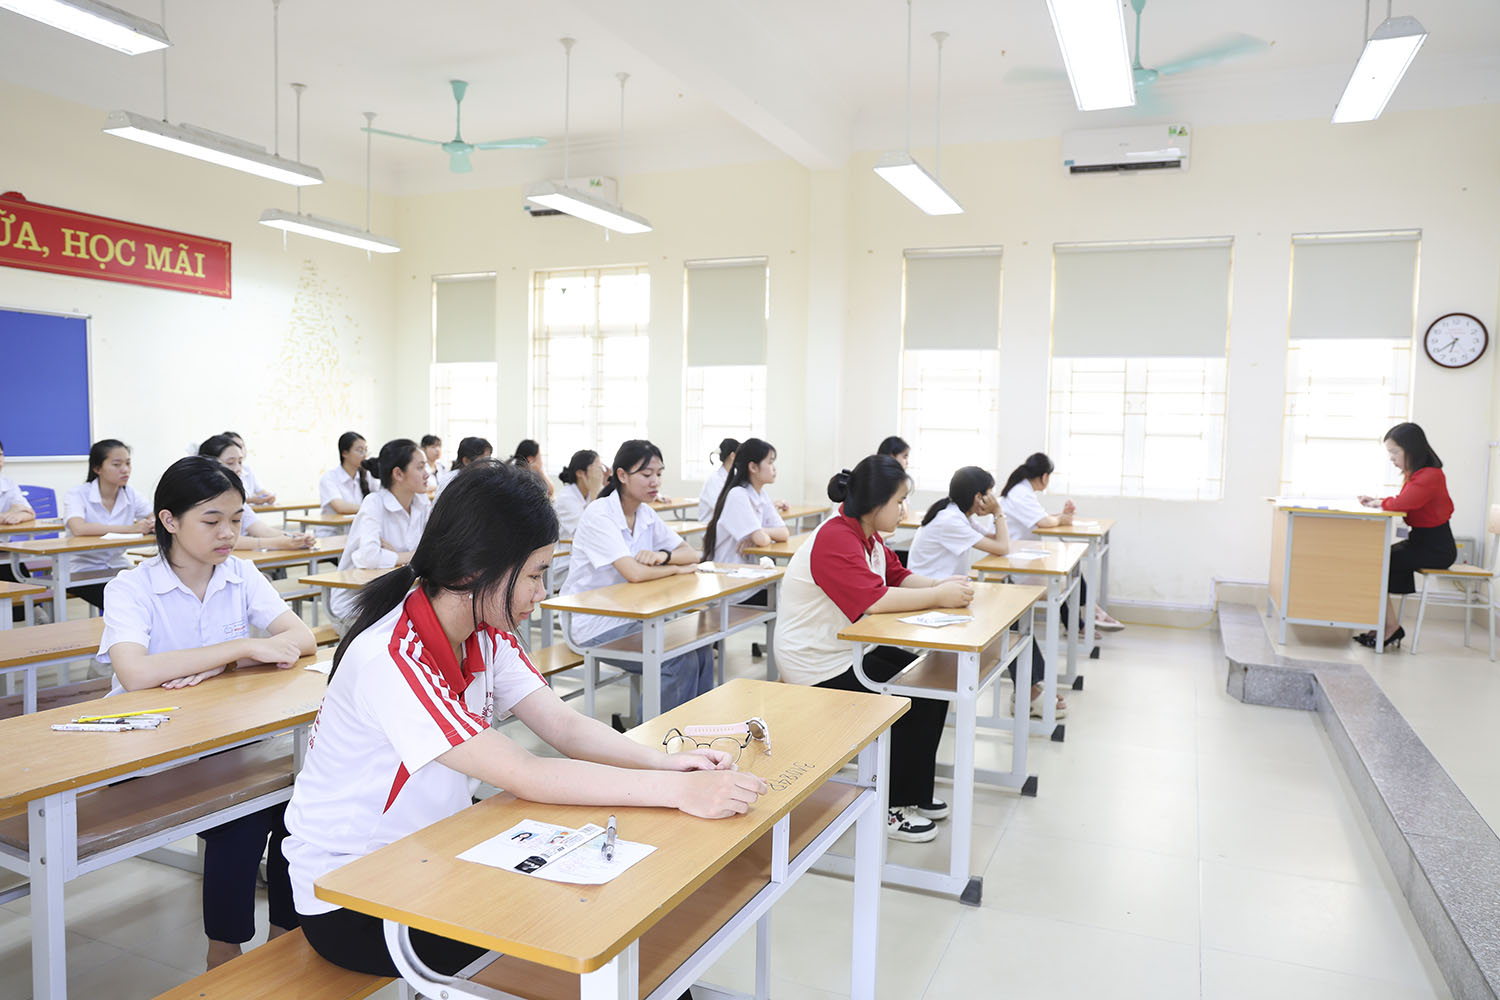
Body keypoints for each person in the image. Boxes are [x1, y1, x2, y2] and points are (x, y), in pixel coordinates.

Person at [282, 460, 766, 978]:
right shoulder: (393, 657)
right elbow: (525, 773)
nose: (542, 592)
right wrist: (677, 792)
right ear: (477, 571)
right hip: (356, 895)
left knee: (621, 913)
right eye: (534, 575)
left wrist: (666, 765)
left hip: (434, 850)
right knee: (590, 929)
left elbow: (564, 727)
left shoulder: (484, 628)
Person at [96, 456, 316, 969]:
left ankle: (284, 938)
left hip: (222, 738)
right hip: (147, 746)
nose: (228, 533)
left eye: (236, 519)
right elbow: (135, 672)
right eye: (212, 520)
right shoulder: (131, 587)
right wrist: (240, 648)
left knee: (300, 799)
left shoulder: (239, 573)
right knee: (245, 811)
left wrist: (226, 660)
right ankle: (225, 952)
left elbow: (301, 638)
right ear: (169, 521)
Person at [774, 454, 974, 842]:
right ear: (875, 503)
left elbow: (896, 576)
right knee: (912, 699)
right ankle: (892, 808)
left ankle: (912, 790)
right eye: (899, 501)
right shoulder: (835, 538)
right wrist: (938, 596)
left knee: (930, 685)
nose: (904, 509)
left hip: (848, 650)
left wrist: (941, 585)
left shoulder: (867, 535)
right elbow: (874, 601)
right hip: (816, 664)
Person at [559, 440, 713, 713]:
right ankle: (653, 737)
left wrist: (663, 556)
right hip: (594, 622)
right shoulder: (600, 514)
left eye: (659, 474)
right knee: (677, 661)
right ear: (622, 475)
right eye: (646, 474)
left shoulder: (645, 513)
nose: (655, 481)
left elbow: (691, 553)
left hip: (632, 614)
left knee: (701, 646)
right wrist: (674, 568)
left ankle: (692, 728)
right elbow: (634, 573)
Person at [911, 467, 1065, 720]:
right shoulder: (950, 519)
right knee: (1010, 617)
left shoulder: (959, 515)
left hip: (948, 589)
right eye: (989, 494)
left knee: (1014, 614)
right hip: (932, 596)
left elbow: (999, 541)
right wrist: (998, 511)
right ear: (977, 497)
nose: (992, 498)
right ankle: (1029, 692)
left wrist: (996, 515)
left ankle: (1031, 688)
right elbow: (1002, 547)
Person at [1356, 422, 1456, 649]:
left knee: (1377, 564)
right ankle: (1385, 625)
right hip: (1420, 542)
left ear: (1411, 449)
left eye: (1394, 452)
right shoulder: (1417, 474)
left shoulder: (1431, 475)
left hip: (1436, 548)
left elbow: (1403, 503)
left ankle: (1390, 627)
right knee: (1375, 562)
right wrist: (1378, 501)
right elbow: (1404, 501)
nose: (1391, 458)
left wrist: (1380, 503)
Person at [999, 452, 1124, 633]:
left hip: (1021, 553)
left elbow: (1042, 518)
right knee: (1066, 571)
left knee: (1068, 568)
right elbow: (1044, 522)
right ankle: (1089, 615)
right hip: (1015, 559)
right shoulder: (1021, 493)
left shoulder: (1021, 491)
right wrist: (1061, 519)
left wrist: (1061, 516)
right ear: (1045, 477)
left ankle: (1084, 620)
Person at [330, 440, 431, 621]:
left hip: (397, 597)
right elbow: (369, 557)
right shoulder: (374, 502)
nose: (427, 474)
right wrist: (410, 556)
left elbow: (434, 552)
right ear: (398, 474)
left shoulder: (422, 503)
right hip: (359, 604)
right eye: (420, 467)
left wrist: (395, 555)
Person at [62, 438, 154, 609]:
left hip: (118, 567)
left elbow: (154, 514)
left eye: (128, 463)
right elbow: (78, 528)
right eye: (117, 464)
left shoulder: (130, 493)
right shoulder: (77, 494)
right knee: (126, 603)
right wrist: (130, 529)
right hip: (82, 571)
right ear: (97, 468)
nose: (125, 469)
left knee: (152, 595)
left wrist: (153, 522)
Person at [701, 438, 788, 606]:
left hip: (749, 578)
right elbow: (762, 540)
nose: (774, 468)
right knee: (784, 598)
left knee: (785, 594)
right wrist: (759, 534)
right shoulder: (738, 495)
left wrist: (759, 531)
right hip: (732, 585)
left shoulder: (760, 494)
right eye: (770, 462)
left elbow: (784, 533)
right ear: (753, 467)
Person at [198, 436, 315, 551]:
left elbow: (261, 529)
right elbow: (218, 539)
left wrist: (294, 537)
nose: (238, 468)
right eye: (230, 462)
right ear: (209, 464)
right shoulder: (198, 499)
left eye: (240, 462)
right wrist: (276, 542)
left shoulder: (235, 498)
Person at [0, 439, 38, 621]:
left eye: (0, 455)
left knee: (16, 567)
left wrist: (16, 514)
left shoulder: (7, 483)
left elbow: (29, 512)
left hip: (3, 548)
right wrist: (8, 514)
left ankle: (31, 612)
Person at [318, 432, 371, 534]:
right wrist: (370, 508)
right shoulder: (329, 477)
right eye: (360, 450)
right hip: (331, 535)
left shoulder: (367, 476)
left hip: (357, 533)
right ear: (344, 453)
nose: (364, 455)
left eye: (366, 450)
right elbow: (340, 507)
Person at [555, 449, 605, 539]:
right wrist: (595, 494)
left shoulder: (591, 491)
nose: (601, 473)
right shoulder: (566, 498)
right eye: (598, 468)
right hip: (568, 547)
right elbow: (587, 533)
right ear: (580, 473)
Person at [222, 431, 274, 505]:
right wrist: (251, 500)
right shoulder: (222, 470)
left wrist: (268, 497)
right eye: (230, 463)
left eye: (242, 446)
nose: (240, 449)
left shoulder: (247, 469)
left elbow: (261, 491)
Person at [697, 438, 738, 521]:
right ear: (732, 456)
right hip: (710, 525)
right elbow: (720, 507)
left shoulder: (733, 477)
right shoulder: (714, 479)